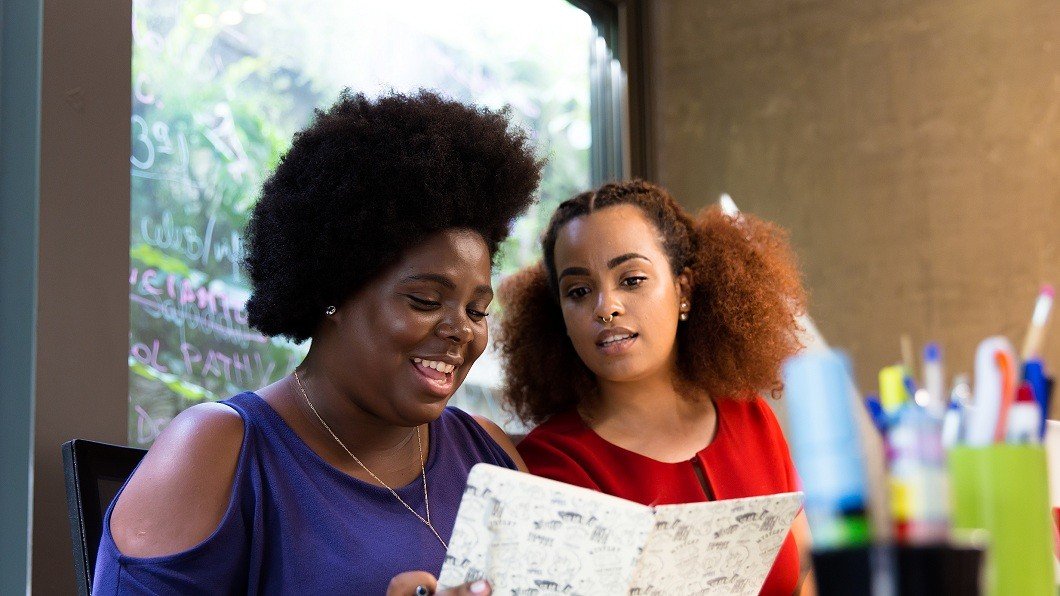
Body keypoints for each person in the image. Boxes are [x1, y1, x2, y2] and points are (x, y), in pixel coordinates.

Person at [95, 90, 542, 594]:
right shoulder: (217, 452)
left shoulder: (488, 456)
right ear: (334, 290)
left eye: (477, 310)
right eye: (423, 300)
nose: (461, 329)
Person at [498, 179, 815, 595]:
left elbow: (805, 569)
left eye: (631, 280)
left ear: (683, 289)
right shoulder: (549, 466)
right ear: (559, 314)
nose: (605, 307)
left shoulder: (750, 414)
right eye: (578, 291)